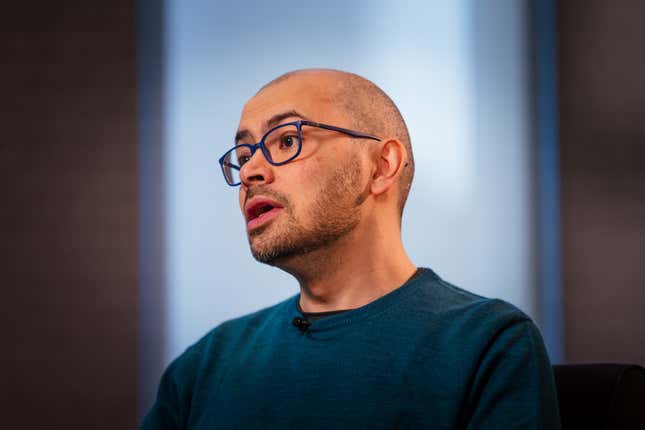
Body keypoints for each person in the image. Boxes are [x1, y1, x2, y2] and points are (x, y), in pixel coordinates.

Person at [140, 69, 561, 429]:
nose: (250, 170)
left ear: (381, 167)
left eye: (286, 141)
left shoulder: (488, 344)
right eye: (244, 153)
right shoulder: (204, 367)